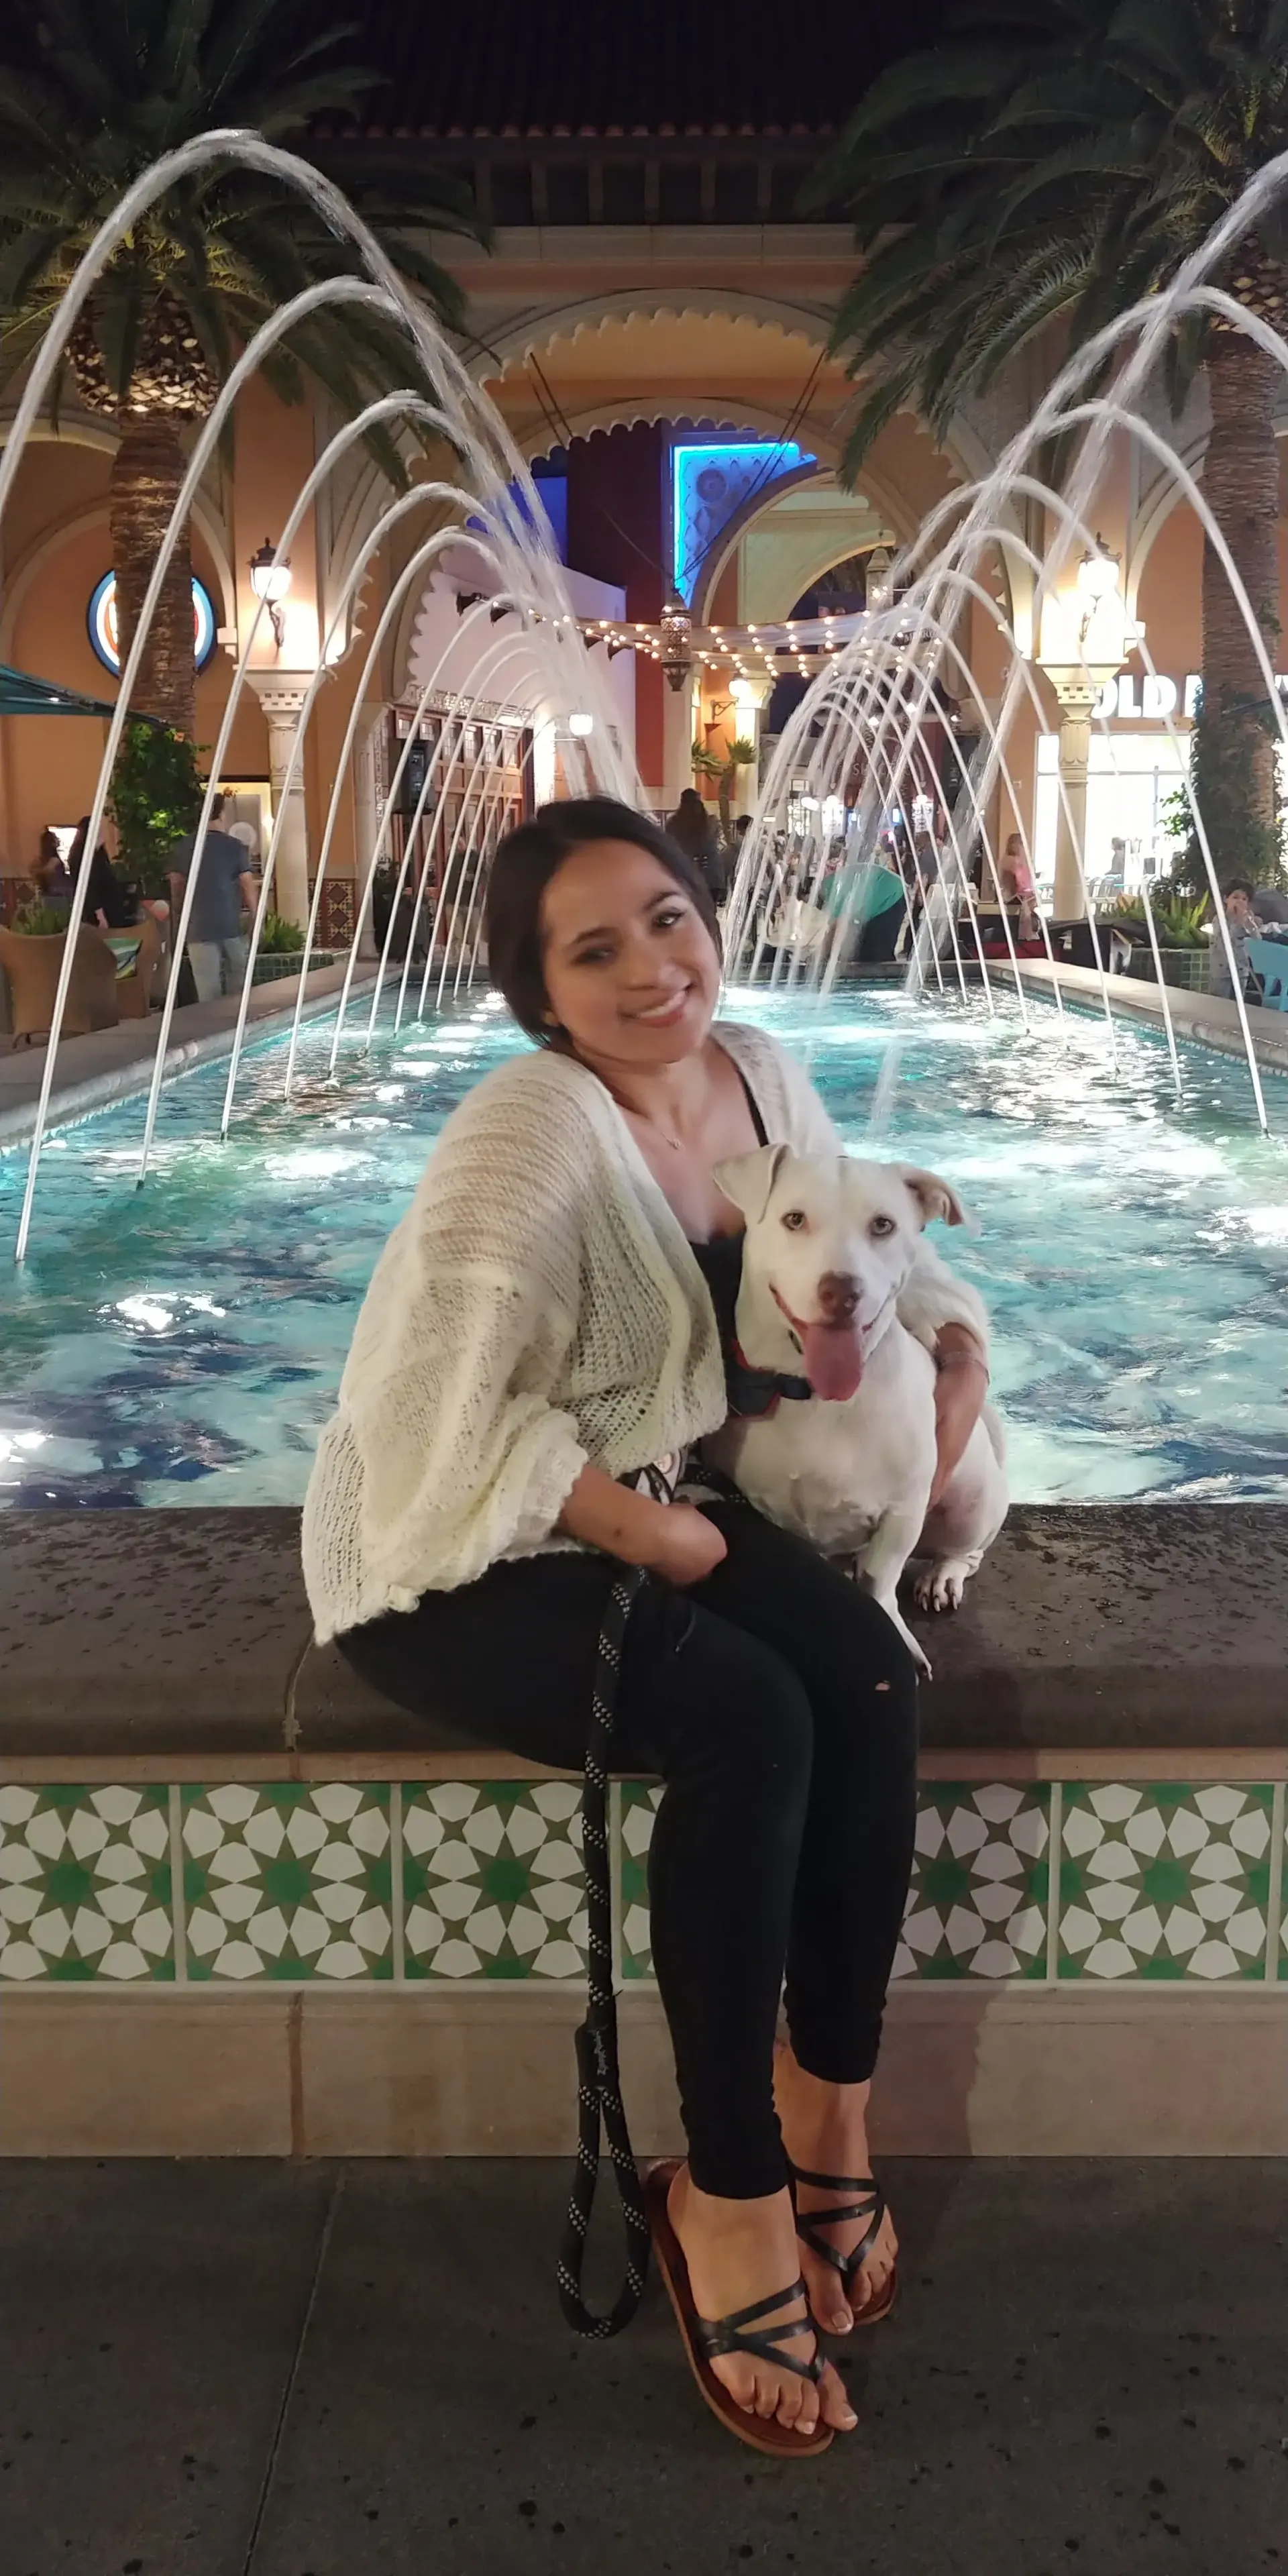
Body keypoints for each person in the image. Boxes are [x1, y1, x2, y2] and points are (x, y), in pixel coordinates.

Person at [303, 798, 990, 2453]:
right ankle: (729, 2192)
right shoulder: (528, 1129)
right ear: (539, 994)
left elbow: (858, 1252)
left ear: (711, 915)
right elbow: (425, 1418)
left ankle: (834, 2111)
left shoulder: (755, 1067)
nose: (649, 967)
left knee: (871, 1665)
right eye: (591, 948)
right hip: (467, 1542)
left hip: (663, 1501)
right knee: (750, 1709)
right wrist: (662, 1530)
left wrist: (954, 1357)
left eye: (666, 919)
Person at [168, 794, 257, 1002]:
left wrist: (180, 908)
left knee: (208, 994)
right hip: (231, 926)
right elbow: (247, 882)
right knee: (239, 990)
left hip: (199, 928)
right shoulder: (235, 846)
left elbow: (176, 883)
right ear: (222, 815)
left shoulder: (184, 846)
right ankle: (239, 1031)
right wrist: (255, 915)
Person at [66, 816, 136, 930]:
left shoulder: (99, 854)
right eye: (99, 829)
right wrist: (100, 916)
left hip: (111, 908)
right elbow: (90, 886)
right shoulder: (84, 856)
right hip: (100, 913)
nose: (103, 832)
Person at [668, 786, 727, 903]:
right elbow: (716, 845)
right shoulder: (711, 821)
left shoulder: (674, 823)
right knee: (710, 911)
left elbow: (670, 847)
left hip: (686, 874)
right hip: (711, 875)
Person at [1209, 878, 1265, 1001]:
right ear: (1226, 899)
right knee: (1220, 1003)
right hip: (1222, 971)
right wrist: (1238, 922)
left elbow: (1258, 940)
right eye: (1236, 897)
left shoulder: (1247, 920)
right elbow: (1224, 943)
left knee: (1238, 1002)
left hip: (1241, 970)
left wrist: (1251, 925)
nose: (1240, 902)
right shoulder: (1219, 920)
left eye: (1244, 899)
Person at [30, 827, 71, 912]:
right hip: (59, 895)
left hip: (47, 894)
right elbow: (48, 871)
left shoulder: (40, 860)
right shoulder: (54, 860)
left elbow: (36, 872)